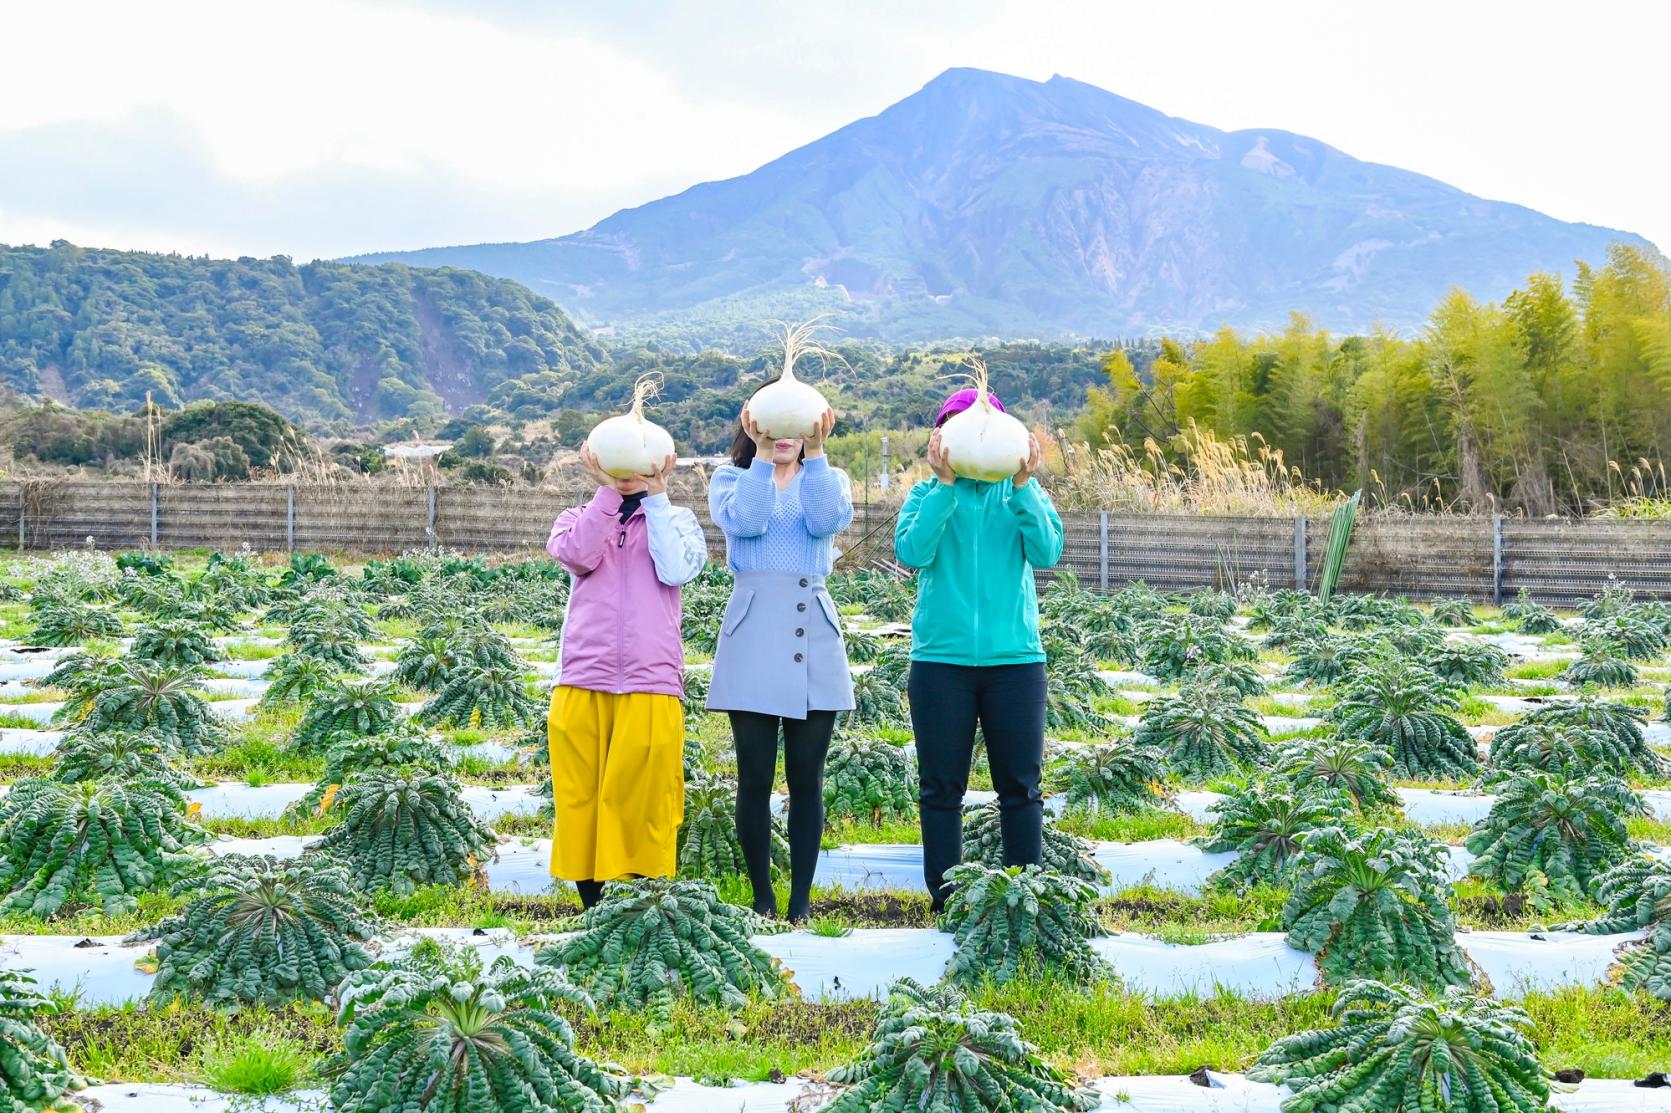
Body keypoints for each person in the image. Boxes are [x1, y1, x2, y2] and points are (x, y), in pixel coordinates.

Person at [894, 388, 1063, 910]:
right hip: (940, 663)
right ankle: (946, 896)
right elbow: (913, 551)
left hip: (1015, 662)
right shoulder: (925, 496)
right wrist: (944, 486)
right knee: (941, 787)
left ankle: (1023, 895)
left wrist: (1024, 484)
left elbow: (1048, 551)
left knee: (1021, 785)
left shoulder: (1019, 497)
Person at [707, 389, 854, 922]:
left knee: (807, 777)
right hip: (753, 628)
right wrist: (762, 457)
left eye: (795, 429)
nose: (785, 436)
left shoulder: (829, 478)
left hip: (811, 627)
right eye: (773, 427)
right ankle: (763, 897)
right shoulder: (731, 479)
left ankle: (800, 902)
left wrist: (817, 455)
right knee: (754, 777)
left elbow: (824, 521)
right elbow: (747, 522)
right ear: (753, 425)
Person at [545, 444, 707, 909]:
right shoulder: (575, 518)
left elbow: (676, 569)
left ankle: (640, 906)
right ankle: (592, 910)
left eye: (645, 464)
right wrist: (605, 495)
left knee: (645, 798)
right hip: (582, 676)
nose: (633, 473)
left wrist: (657, 500)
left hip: (651, 680)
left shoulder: (678, 521)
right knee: (583, 797)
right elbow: (578, 556)